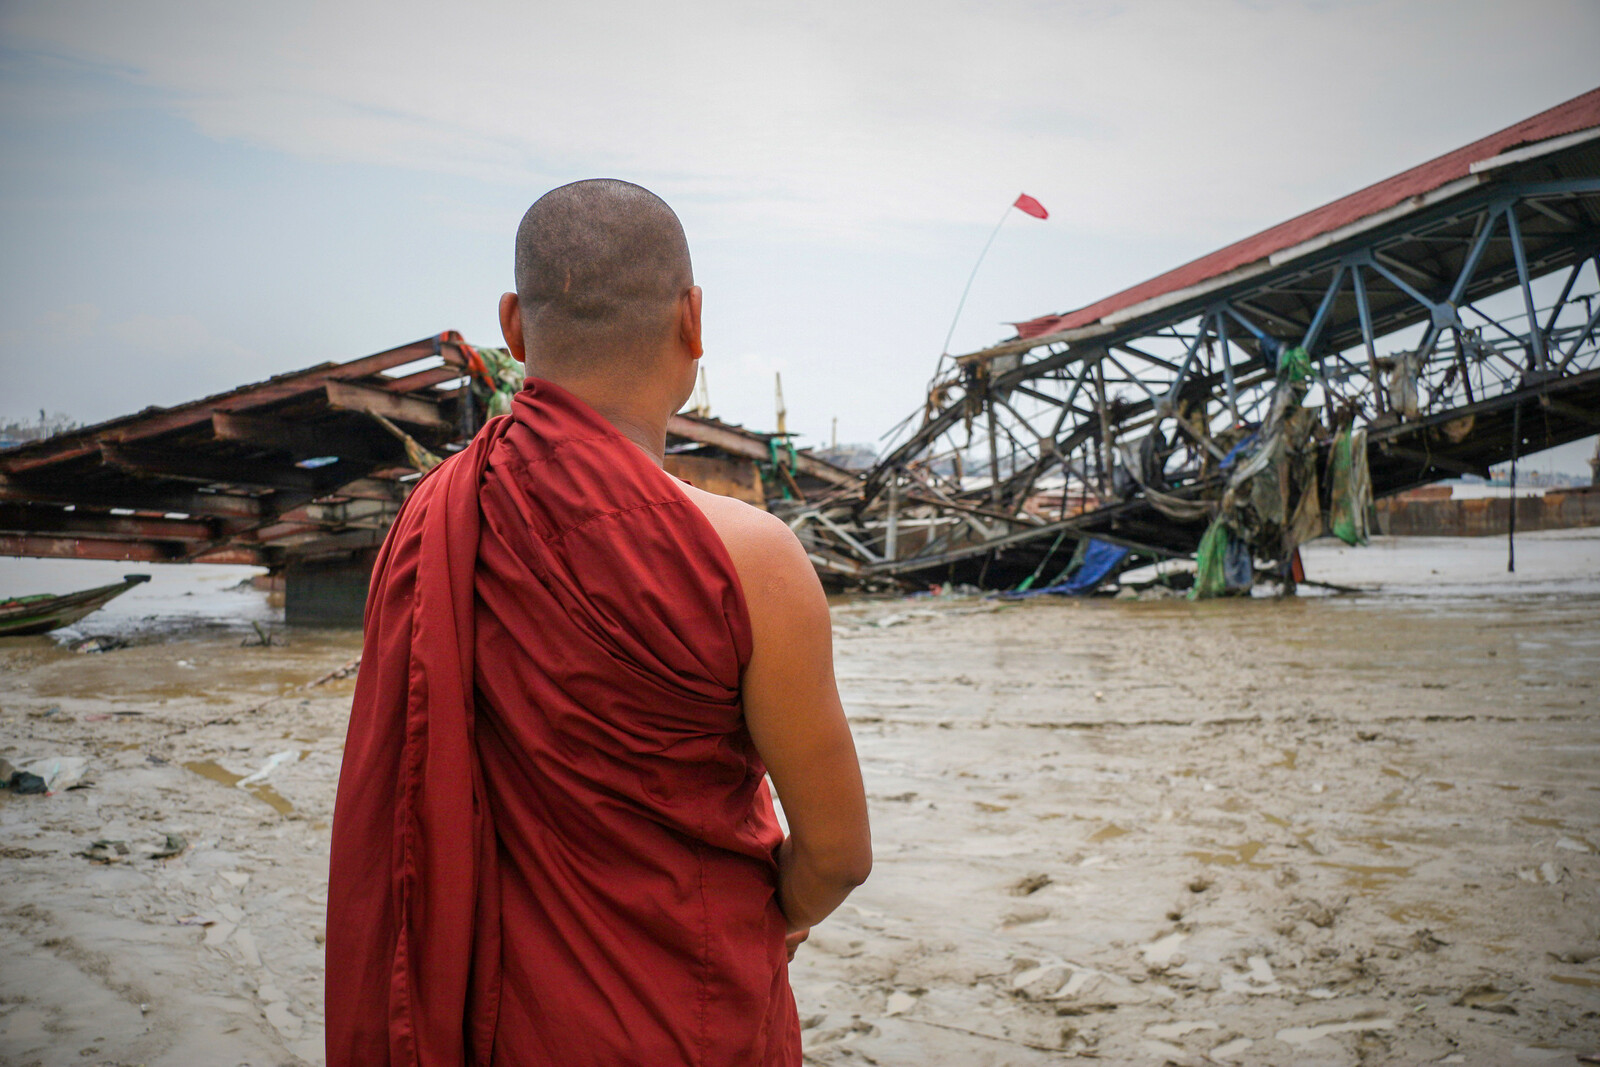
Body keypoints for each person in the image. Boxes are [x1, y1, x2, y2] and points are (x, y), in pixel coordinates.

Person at [325, 179, 871, 1066]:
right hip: (694, 1017)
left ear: (512, 326)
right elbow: (840, 853)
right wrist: (783, 917)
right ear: (693, 321)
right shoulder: (755, 558)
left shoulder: (436, 522)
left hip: (502, 1026)